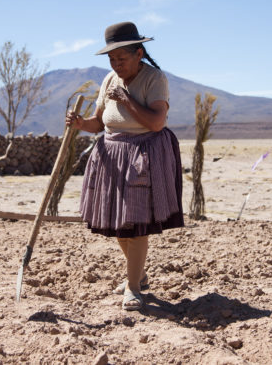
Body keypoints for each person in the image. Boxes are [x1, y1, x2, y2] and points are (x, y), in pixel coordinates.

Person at [66, 21, 184, 311]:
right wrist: (81, 124)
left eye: (121, 58)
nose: (116, 64)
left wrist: (128, 100)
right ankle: (138, 275)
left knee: (136, 223)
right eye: (111, 59)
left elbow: (157, 123)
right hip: (111, 154)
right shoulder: (109, 80)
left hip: (143, 154)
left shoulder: (155, 79)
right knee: (119, 223)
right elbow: (99, 123)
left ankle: (132, 288)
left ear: (139, 53)